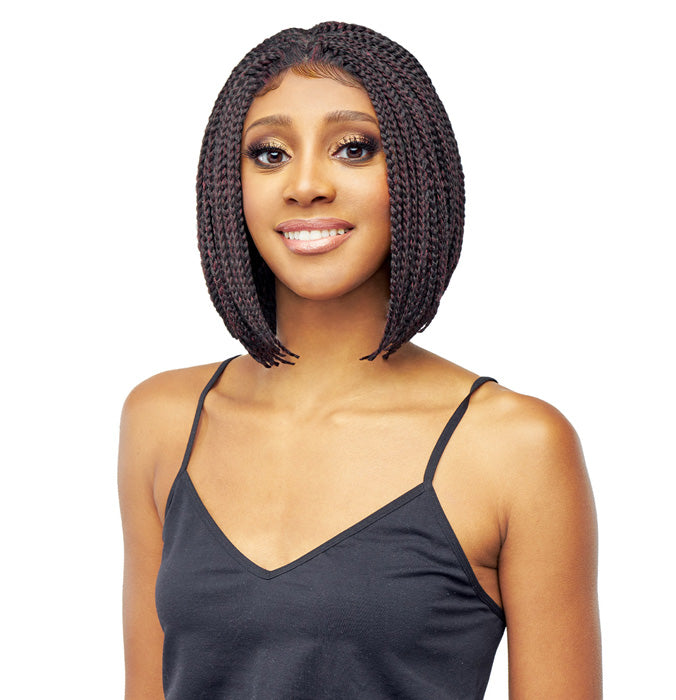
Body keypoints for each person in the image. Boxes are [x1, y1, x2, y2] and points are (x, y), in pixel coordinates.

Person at [118, 21, 601, 699]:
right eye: (269, 154)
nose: (306, 184)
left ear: (415, 171)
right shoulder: (162, 421)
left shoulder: (516, 447)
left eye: (353, 148)